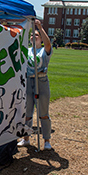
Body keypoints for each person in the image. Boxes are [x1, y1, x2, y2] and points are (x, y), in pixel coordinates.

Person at [18, 19, 53, 150]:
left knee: (43, 112)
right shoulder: (26, 51)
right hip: (28, 81)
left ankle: (47, 140)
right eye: (32, 35)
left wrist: (39, 27)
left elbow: (48, 44)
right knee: (27, 112)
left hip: (41, 81)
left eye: (36, 35)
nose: (34, 36)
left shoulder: (44, 51)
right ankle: (25, 138)